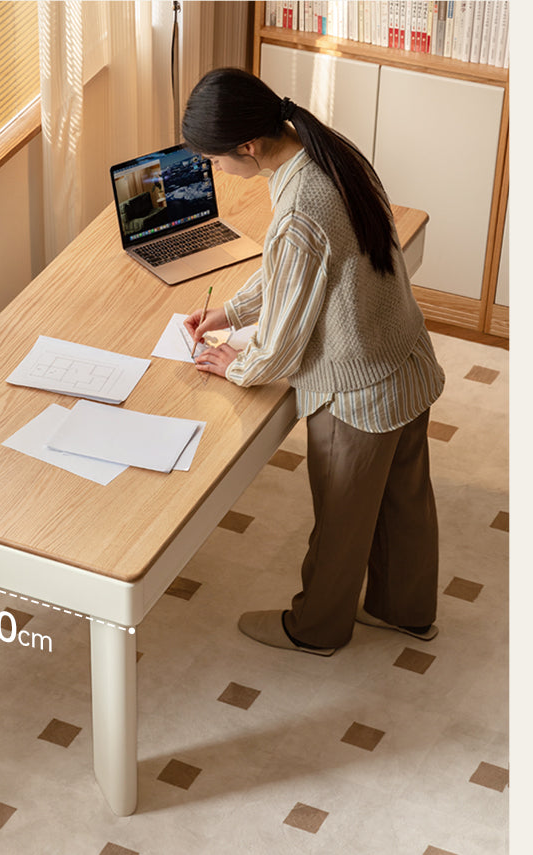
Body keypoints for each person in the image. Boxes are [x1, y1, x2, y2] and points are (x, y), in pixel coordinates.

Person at [182, 68, 445, 657]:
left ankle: (316, 629)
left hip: (357, 391)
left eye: (217, 161)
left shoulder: (301, 204)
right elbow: (296, 270)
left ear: (248, 146)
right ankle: (404, 611)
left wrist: (236, 365)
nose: (218, 173)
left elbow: (281, 342)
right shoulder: (328, 152)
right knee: (404, 500)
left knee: (341, 522)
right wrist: (230, 312)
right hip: (402, 357)